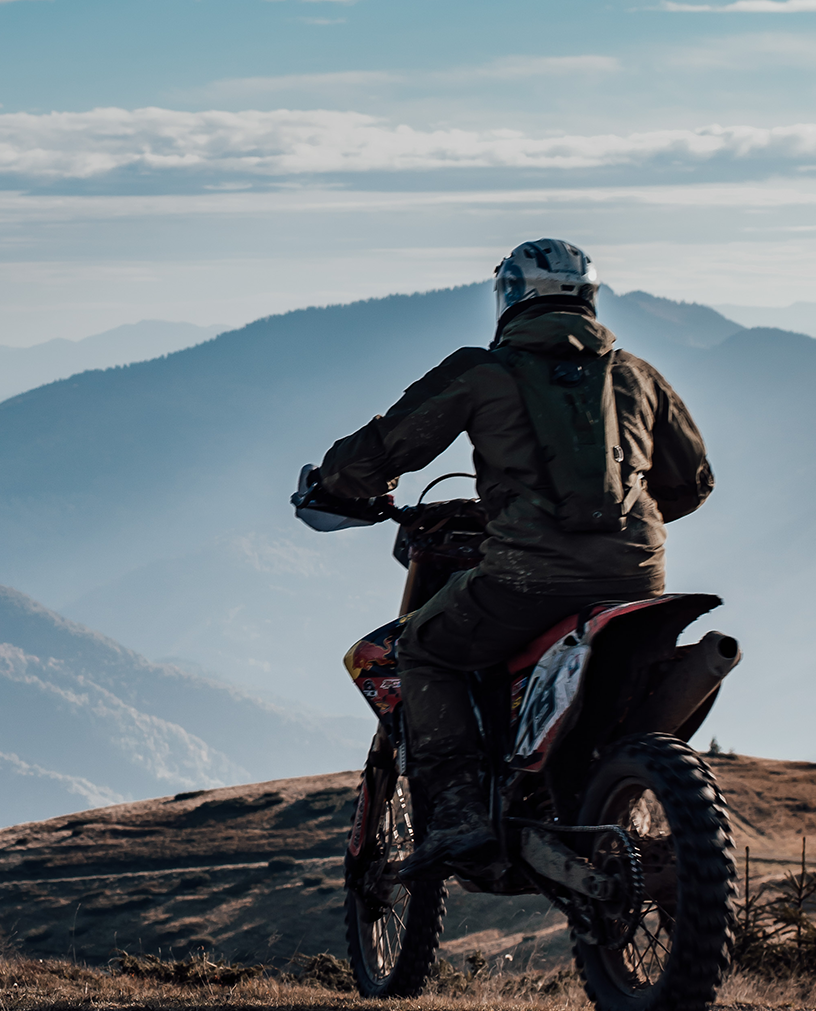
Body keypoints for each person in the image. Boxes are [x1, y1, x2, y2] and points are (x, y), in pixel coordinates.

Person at [306, 239, 714, 880]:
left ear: (511, 298)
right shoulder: (637, 374)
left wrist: (334, 483)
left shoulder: (484, 371)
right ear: (588, 299)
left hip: (528, 577)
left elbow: (383, 450)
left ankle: (457, 812)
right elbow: (690, 484)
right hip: (637, 579)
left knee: (423, 650)